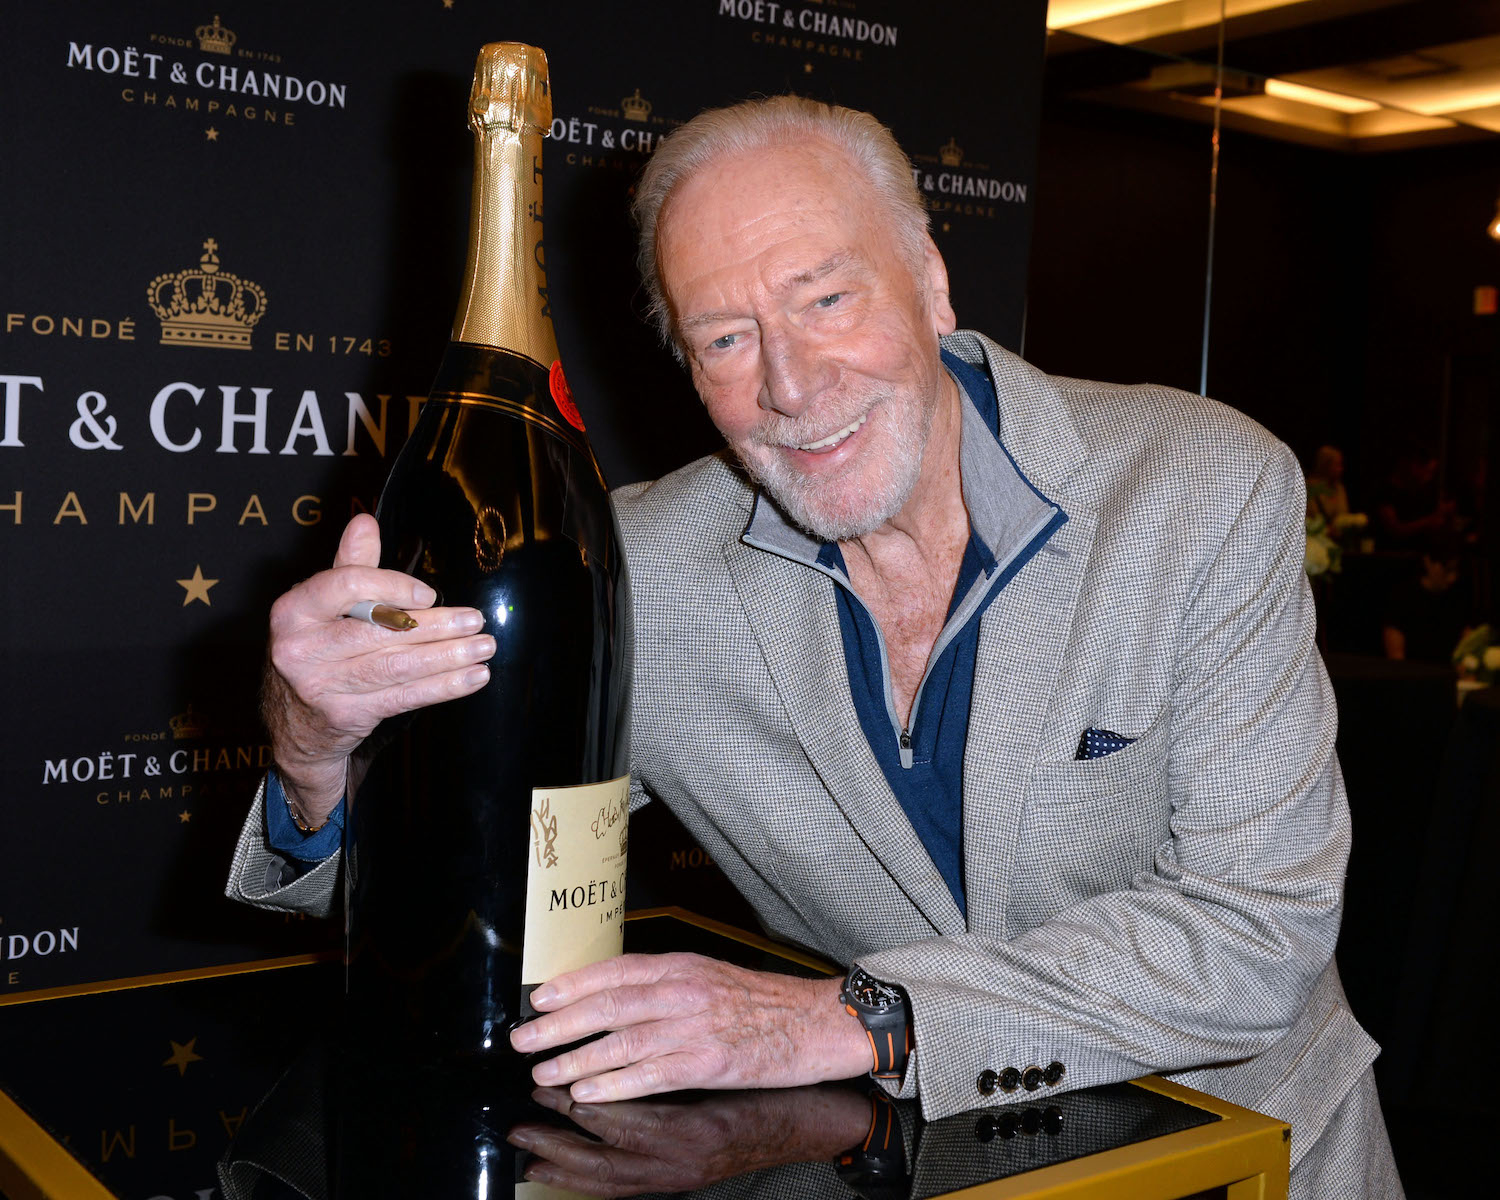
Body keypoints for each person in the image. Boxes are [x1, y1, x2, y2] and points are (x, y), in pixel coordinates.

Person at [228, 97, 1402, 1198]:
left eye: (827, 299)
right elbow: (445, 881)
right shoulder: (638, 571)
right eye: (725, 338)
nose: (789, 385)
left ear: (931, 282)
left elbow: (1259, 933)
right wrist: (317, 745)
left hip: (1238, 1150)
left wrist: (844, 1018)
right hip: (915, 1168)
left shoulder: (1198, 485)